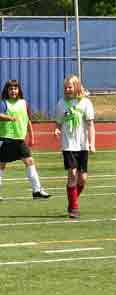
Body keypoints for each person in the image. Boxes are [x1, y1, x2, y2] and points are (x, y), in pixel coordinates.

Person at [0, 79, 50, 201]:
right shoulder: (4, 103)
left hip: (19, 140)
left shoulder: (23, 103)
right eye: (10, 89)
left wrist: (31, 136)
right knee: (1, 165)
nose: (13, 91)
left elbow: (27, 120)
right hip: (6, 139)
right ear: (7, 91)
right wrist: (9, 118)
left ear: (19, 90)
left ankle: (36, 190)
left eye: (15, 88)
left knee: (30, 161)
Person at [54, 75, 95, 219]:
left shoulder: (85, 103)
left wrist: (92, 143)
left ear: (76, 86)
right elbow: (58, 122)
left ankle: (72, 201)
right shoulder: (61, 104)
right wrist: (57, 129)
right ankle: (74, 208)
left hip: (82, 145)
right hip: (68, 145)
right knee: (72, 173)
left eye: (70, 87)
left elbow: (90, 125)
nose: (67, 89)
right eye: (65, 87)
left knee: (82, 178)